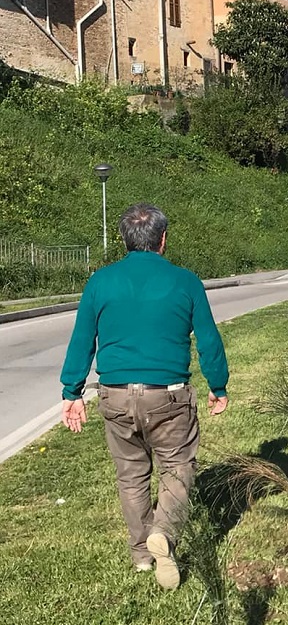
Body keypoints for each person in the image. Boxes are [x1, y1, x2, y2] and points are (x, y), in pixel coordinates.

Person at [59, 203, 230, 590]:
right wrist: (218, 386)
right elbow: (208, 340)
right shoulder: (185, 282)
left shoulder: (100, 282)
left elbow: (82, 341)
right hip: (167, 396)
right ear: (163, 240)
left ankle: (141, 555)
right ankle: (164, 534)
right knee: (178, 468)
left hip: (116, 396)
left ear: (125, 240)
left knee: (132, 476)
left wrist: (72, 392)